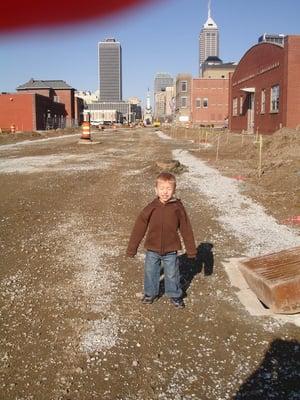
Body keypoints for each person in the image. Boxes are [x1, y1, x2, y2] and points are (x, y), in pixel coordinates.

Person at [126, 172, 196, 308]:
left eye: (169, 189)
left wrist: (191, 250)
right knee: (150, 272)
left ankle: (175, 295)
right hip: (152, 249)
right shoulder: (150, 208)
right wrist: (131, 249)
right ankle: (150, 293)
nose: (165, 192)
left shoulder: (178, 208)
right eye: (162, 188)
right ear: (156, 190)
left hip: (171, 250)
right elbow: (138, 229)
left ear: (174, 190)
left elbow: (186, 229)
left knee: (172, 274)